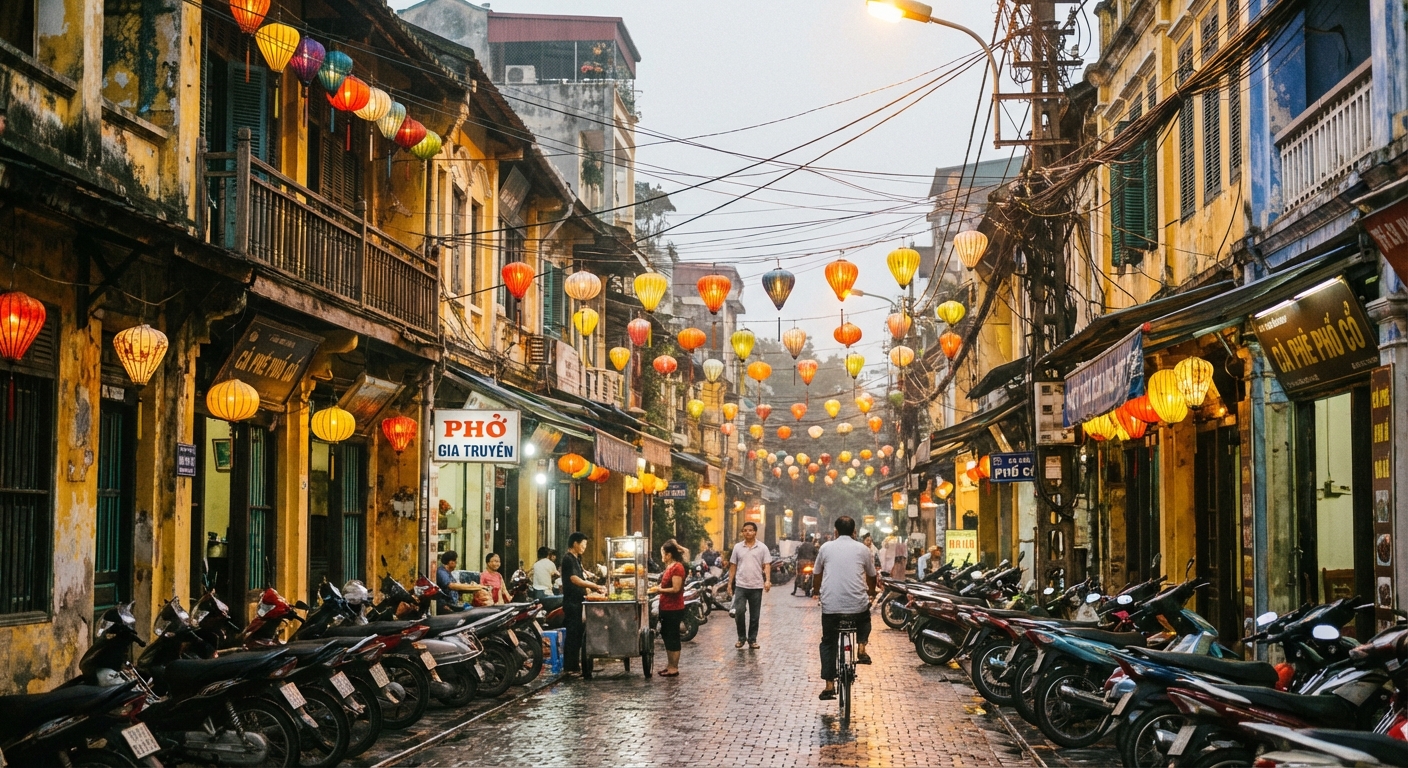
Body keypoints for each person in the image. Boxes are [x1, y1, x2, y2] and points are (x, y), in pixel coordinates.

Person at [812, 516, 877, 700]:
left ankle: (829, 685)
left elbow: (817, 573)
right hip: (857, 607)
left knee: (828, 642)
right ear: (855, 532)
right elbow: (872, 576)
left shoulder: (825, 548)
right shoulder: (863, 549)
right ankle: (862, 647)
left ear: (835, 532)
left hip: (831, 607)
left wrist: (817, 591)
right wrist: (871, 593)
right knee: (865, 618)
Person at [561, 532, 607, 676]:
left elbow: (581, 573)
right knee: (573, 634)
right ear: (575, 543)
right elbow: (574, 579)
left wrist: (592, 577)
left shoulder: (576, 559)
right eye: (583, 544)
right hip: (572, 602)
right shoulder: (568, 559)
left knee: (579, 634)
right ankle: (570, 668)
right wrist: (594, 586)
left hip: (579, 601)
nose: (584, 547)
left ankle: (577, 665)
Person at [728, 522, 771, 649]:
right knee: (739, 612)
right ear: (742, 532)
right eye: (745, 530)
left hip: (756, 586)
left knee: (755, 615)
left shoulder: (762, 548)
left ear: (755, 532)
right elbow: (733, 565)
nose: (747, 533)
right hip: (741, 585)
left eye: (750, 530)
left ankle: (752, 639)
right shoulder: (737, 547)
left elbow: (767, 564)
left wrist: (767, 580)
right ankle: (741, 638)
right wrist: (730, 584)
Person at [650, 540, 687, 676]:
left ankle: (674, 667)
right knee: (666, 635)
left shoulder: (677, 567)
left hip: (674, 607)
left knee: (673, 636)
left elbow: (676, 588)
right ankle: (670, 664)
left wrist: (659, 590)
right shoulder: (670, 567)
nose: (662, 556)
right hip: (666, 606)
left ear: (669, 554)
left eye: (663, 553)